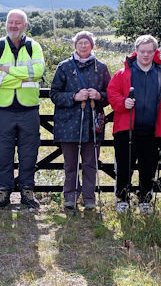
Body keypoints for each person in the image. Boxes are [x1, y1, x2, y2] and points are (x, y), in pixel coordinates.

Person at [108, 35, 161, 214]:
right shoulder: (123, 73)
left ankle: (145, 200)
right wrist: (123, 102)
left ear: (155, 52)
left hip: (153, 130)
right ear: (136, 51)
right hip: (126, 129)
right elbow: (112, 93)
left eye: (149, 51)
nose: (145, 55)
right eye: (142, 51)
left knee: (149, 167)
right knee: (125, 166)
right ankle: (122, 199)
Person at [0, 9, 45, 210]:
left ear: (25, 25)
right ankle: (2, 193)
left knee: (29, 152)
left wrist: (8, 71)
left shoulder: (34, 47)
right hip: (3, 109)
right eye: (11, 22)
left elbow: (37, 72)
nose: (13, 26)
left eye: (18, 23)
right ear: (6, 24)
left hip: (28, 109)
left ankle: (27, 191)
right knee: (3, 152)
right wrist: (21, 78)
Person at [50, 31, 111, 210]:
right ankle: (70, 196)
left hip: (93, 124)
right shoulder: (64, 67)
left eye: (87, 42)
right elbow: (54, 94)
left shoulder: (101, 67)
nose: (83, 46)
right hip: (68, 123)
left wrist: (99, 95)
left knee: (90, 163)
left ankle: (89, 197)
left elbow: (111, 95)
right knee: (70, 163)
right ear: (75, 45)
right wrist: (74, 97)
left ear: (92, 45)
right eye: (80, 42)